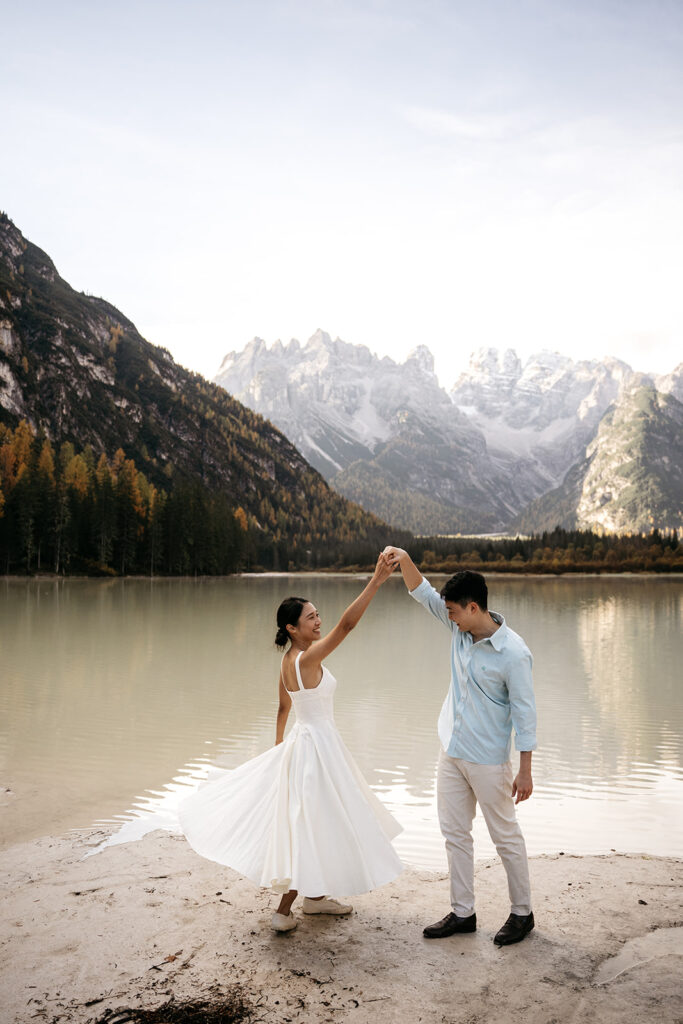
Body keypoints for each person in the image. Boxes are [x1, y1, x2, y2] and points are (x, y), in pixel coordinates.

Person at [178, 553, 403, 933]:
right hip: (317, 750)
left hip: (307, 744)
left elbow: (284, 706)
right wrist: (376, 581)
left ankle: (315, 900)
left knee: (320, 820)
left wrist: (280, 748)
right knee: (312, 824)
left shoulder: (287, 661)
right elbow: (347, 626)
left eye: (317, 614)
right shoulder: (307, 659)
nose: (319, 620)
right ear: (292, 628)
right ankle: (284, 910)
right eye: (311, 617)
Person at [383, 547, 537, 947]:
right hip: (451, 750)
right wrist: (404, 558)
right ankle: (463, 913)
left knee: (505, 836)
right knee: (454, 833)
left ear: (473, 607)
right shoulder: (458, 628)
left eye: (453, 610)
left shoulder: (515, 654)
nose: (446, 615)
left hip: (489, 760)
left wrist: (525, 769)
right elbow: (422, 592)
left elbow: (525, 715)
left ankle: (523, 914)